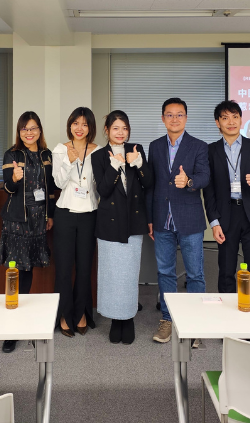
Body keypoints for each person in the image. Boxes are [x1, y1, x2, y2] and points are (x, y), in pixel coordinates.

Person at [146, 98, 210, 344]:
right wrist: (150, 218)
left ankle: (195, 323)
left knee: (195, 274)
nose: (175, 119)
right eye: (170, 115)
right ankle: (167, 319)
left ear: (186, 118)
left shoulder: (199, 146)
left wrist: (189, 181)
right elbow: (152, 184)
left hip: (190, 219)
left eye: (179, 114)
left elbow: (205, 176)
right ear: (163, 118)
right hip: (162, 218)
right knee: (165, 272)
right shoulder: (154, 146)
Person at [0, 111, 56, 352]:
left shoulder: (46, 155)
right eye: (24, 129)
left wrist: (50, 215)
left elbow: (50, 189)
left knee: (28, 267)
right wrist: (14, 178)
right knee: (15, 269)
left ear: (39, 130)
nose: (29, 133)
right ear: (19, 132)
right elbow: (8, 189)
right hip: (18, 219)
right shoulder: (12, 154)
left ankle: (23, 317)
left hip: (39, 218)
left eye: (33, 128)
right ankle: (11, 326)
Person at [92, 110, 153, 345]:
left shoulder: (136, 149)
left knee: (128, 273)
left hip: (132, 221)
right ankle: (114, 319)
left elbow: (149, 182)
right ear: (107, 130)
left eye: (124, 128)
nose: (120, 133)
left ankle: (128, 319)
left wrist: (138, 163)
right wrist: (115, 167)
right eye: (116, 128)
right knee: (111, 274)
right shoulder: (99, 156)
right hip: (109, 222)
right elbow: (104, 190)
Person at [204, 100, 250, 297]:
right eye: (225, 118)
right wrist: (214, 222)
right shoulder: (210, 151)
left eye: (235, 117)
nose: (231, 122)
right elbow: (209, 190)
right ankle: (226, 312)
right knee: (226, 270)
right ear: (218, 122)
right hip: (226, 215)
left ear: (241, 120)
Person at [52, 107, 100, 338]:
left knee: (84, 267)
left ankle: (81, 312)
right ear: (70, 125)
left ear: (90, 128)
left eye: (84, 124)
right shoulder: (60, 149)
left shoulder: (98, 151)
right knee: (63, 267)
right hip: (65, 213)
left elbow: (100, 185)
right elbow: (59, 183)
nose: (79, 128)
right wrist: (69, 162)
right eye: (75, 123)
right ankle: (64, 314)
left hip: (89, 213)